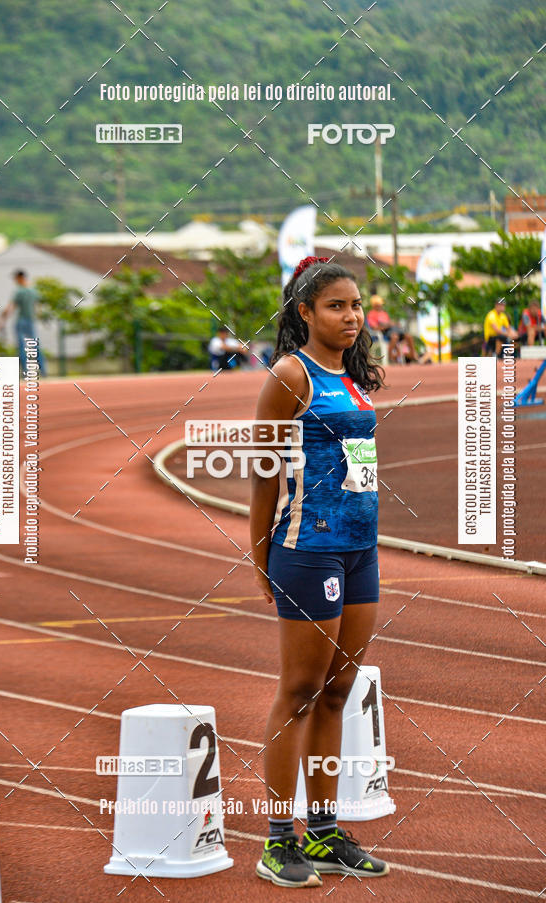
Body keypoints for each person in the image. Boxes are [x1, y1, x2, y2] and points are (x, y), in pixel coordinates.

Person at [250, 257, 389, 888]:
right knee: (299, 690)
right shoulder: (290, 374)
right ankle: (280, 840)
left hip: (361, 551)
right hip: (307, 550)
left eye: (356, 304)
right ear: (304, 313)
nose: (351, 316)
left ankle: (327, 831)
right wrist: (262, 556)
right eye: (336, 306)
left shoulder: (355, 378)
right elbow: (263, 473)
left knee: (338, 691)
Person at [0, 270, 46, 374]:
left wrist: (4, 316)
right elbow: (37, 306)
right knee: (35, 345)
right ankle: (42, 370)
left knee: (22, 346)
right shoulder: (34, 290)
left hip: (21, 321)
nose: (15, 281)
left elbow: (12, 306)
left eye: (15, 278)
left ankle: (26, 370)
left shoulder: (19, 291)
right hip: (31, 320)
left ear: (20, 277)